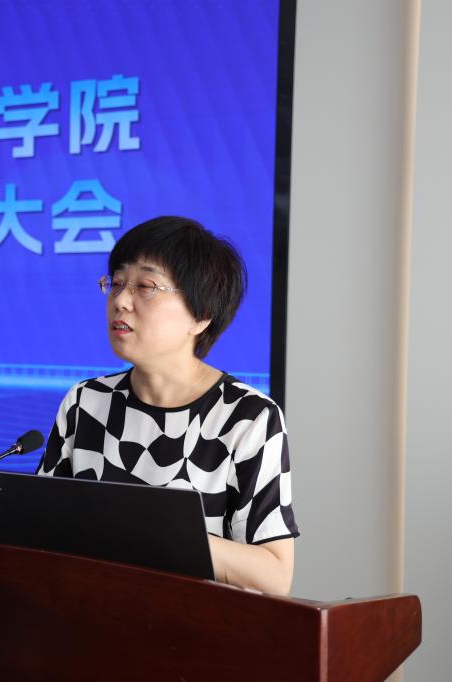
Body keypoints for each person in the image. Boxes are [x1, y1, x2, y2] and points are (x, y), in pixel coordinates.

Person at [36, 216, 299, 595]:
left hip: (191, 623)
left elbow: (274, 576)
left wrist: (161, 533)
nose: (120, 301)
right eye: (116, 283)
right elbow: (40, 531)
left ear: (201, 315)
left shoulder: (247, 416)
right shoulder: (86, 402)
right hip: (90, 614)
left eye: (145, 287)